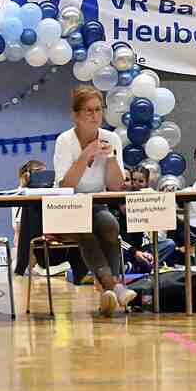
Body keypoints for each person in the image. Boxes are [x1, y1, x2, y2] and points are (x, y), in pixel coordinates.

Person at [53, 85, 137, 316]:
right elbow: (66, 185)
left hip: (96, 205)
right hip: (66, 207)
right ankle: (114, 287)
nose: (94, 115)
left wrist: (111, 158)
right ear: (76, 115)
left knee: (110, 224)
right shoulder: (64, 140)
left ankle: (109, 291)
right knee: (84, 229)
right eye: (88, 110)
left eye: (98, 109)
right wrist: (86, 154)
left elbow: (115, 185)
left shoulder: (111, 138)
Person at [115, 166, 176, 273]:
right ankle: (138, 267)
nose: (135, 184)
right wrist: (135, 252)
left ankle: (139, 266)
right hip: (124, 250)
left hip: (141, 249)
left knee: (169, 244)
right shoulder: (112, 202)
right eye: (133, 180)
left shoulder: (146, 198)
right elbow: (116, 239)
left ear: (146, 183)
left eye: (128, 180)